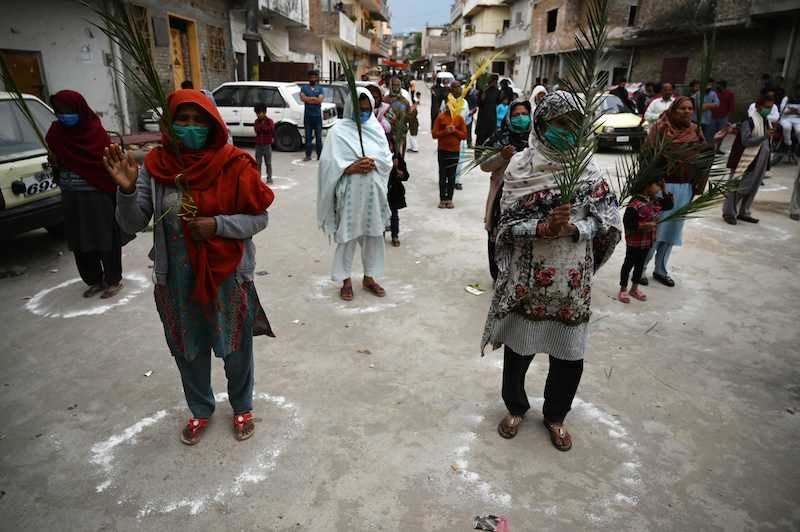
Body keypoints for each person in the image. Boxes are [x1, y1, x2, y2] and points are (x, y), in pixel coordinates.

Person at [107, 89, 275, 445]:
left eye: (199, 120)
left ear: (213, 123)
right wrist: (124, 190)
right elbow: (133, 224)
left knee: (235, 345)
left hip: (228, 275)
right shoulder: (157, 167)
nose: (191, 127)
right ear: (170, 124)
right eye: (182, 120)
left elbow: (258, 218)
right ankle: (201, 409)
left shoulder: (235, 164)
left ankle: (242, 405)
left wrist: (217, 225)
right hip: (177, 278)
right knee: (188, 346)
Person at [483, 91, 621, 451]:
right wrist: (541, 228)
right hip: (527, 279)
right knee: (518, 350)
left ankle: (556, 415)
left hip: (572, 281)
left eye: (577, 124)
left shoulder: (589, 170)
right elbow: (506, 224)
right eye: (562, 124)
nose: (570, 132)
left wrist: (576, 228)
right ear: (542, 125)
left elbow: (607, 222)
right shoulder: (520, 167)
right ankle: (515, 407)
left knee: (569, 355)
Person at [46, 90, 127, 299]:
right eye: (59, 111)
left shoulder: (94, 132)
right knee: (79, 240)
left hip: (96, 194)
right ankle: (94, 279)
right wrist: (55, 159)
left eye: (68, 111)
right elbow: (54, 157)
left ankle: (113, 279)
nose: (64, 115)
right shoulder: (55, 132)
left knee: (105, 238)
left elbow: (107, 165)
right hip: (70, 194)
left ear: (79, 109)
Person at [641, 96, 727, 287]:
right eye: (682, 108)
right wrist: (651, 185)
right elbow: (647, 156)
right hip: (662, 187)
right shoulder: (661, 128)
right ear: (673, 109)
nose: (687, 112)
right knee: (654, 231)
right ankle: (640, 269)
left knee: (672, 232)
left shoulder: (695, 130)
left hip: (685, 187)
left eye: (690, 108)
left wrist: (715, 143)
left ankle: (660, 270)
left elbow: (704, 156)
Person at [318, 88, 393, 301]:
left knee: (373, 236)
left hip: (372, 193)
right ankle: (346, 280)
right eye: (360, 110)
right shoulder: (338, 131)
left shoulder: (375, 129)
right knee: (347, 237)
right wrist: (350, 167)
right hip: (350, 194)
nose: (364, 114)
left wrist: (373, 162)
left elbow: (386, 159)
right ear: (351, 108)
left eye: (368, 110)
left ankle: (369, 277)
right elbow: (327, 164)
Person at [480, 98, 532, 281]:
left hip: (528, 199)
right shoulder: (499, 137)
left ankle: (517, 278)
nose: (521, 118)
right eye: (516, 115)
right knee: (496, 235)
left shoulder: (538, 139)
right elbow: (484, 165)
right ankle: (498, 277)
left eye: (524, 114)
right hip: (501, 197)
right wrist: (501, 156)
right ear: (509, 117)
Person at [723, 94, 777, 225]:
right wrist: (764, 136)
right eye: (766, 107)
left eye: (771, 107)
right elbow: (746, 141)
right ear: (758, 106)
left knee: (753, 187)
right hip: (746, 159)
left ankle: (743, 212)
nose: (768, 110)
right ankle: (729, 212)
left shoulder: (766, 121)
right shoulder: (749, 121)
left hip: (761, 159)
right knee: (739, 187)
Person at [618, 179, 673, 304]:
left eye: (660, 186)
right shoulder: (635, 204)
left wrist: (664, 191)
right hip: (634, 242)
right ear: (647, 185)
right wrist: (644, 225)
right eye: (657, 184)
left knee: (640, 265)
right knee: (628, 264)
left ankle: (634, 289)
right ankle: (623, 289)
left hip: (647, 241)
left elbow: (669, 205)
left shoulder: (654, 201)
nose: (659, 188)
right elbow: (628, 223)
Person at [432, 92, 467, 209]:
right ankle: (442, 199)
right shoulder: (441, 117)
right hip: (442, 150)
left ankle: (449, 199)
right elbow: (434, 134)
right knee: (442, 175)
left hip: (454, 152)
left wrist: (454, 131)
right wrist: (445, 132)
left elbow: (464, 135)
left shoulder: (459, 118)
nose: (449, 106)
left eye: (452, 104)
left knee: (452, 176)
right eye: (448, 103)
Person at [300, 69, 325, 161]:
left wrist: (309, 99)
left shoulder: (320, 88)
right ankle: (308, 155)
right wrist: (314, 99)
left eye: (314, 77)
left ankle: (320, 155)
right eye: (311, 77)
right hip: (308, 117)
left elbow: (320, 100)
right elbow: (303, 98)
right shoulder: (304, 88)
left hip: (317, 117)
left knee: (319, 138)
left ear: (316, 78)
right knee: (308, 137)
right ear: (308, 78)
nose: (312, 78)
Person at [710, 80, 735, 154]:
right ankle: (711, 148)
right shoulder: (714, 93)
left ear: (723, 86)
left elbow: (731, 106)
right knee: (711, 134)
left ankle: (718, 148)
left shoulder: (729, 94)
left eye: (719, 85)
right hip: (713, 116)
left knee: (721, 134)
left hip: (723, 117)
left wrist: (729, 118)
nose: (717, 87)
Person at [476, 74, 500, 146]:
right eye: (493, 81)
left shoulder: (496, 91)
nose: (494, 83)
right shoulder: (483, 90)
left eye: (496, 81)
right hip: (482, 120)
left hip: (492, 120)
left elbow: (498, 102)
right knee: (480, 143)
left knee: (490, 142)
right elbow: (478, 103)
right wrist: (482, 96)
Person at [253, 103, 274, 184]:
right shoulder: (256, 121)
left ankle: (269, 177)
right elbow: (256, 129)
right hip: (258, 146)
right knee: (258, 163)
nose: (258, 115)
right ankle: (258, 178)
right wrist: (262, 127)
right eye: (257, 113)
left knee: (268, 163)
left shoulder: (270, 121)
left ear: (264, 112)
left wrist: (262, 127)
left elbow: (270, 129)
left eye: (259, 113)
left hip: (267, 145)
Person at [778, 83, 800, 152]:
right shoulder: (786, 98)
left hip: (797, 119)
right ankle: (788, 144)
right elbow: (782, 110)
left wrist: (791, 109)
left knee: (799, 131)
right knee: (787, 127)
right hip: (786, 118)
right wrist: (796, 110)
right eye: (796, 90)